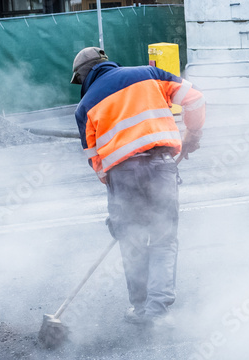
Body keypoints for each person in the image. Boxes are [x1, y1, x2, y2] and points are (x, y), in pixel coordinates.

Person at [71, 46, 205, 327]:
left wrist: (119, 205)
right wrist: (192, 133)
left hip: (123, 175)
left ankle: (140, 308)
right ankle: (157, 310)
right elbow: (194, 99)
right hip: (162, 166)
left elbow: (97, 164)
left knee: (130, 240)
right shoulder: (149, 74)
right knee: (163, 238)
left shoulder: (84, 108)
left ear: (84, 77)